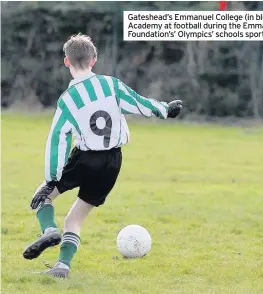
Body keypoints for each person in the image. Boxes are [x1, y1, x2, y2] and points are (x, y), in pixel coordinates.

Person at [23, 33, 183, 278]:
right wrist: (166, 110)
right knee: (75, 219)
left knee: (42, 198)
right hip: (113, 162)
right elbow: (139, 103)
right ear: (94, 60)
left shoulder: (68, 99)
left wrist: (51, 178)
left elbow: (58, 139)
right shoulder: (111, 85)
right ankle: (63, 267)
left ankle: (48, 231)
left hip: (85, 158)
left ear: (66, 62)